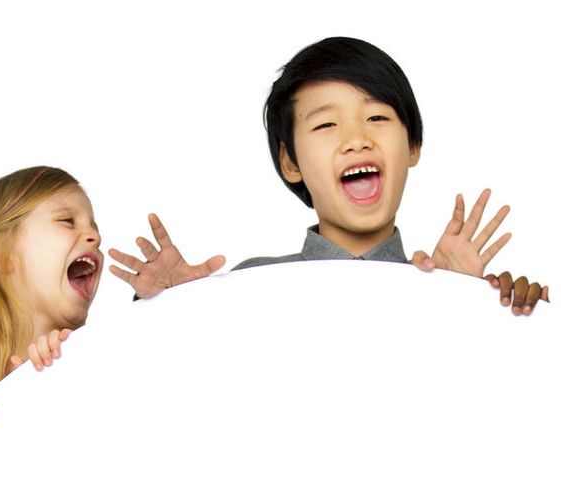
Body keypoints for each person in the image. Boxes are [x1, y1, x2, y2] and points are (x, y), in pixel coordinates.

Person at [0, 167, 221, 461]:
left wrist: (176, 300)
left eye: (94, 228)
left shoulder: (101, 359)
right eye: (67, 221)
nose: (95, 238)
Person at [226, 34, 544, 313]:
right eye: (326, 124)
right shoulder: (247, 286)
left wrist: (460, 302)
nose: (356, 140)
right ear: (290, 162)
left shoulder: (451, 286)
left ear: (413, 145)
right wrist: (176, 302)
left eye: (377, 117)